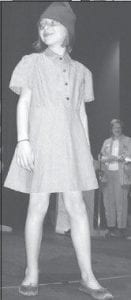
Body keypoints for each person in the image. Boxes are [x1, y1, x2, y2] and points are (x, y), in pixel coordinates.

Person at [4, 2, 113, 299]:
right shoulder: (31, 62)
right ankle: (31, 272)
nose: (46, 27)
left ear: (68, 29)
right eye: (42, 24)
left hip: (72, 144)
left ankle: (88, 277)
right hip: (40, 141)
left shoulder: (82, 71)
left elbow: (81, 114)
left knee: (78, 208)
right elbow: (23, 102)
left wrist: (86, 150)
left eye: (53, 22)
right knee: (37, 206)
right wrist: (23, 141)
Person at [100, 119, 131, 238]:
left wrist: (118, 158)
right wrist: (106, 158)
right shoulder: (106, 141)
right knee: (108, 202)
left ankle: (121, 228)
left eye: (119, 127)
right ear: (111, 129)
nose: (117, 129)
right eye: (114, 128)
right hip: (108, 175)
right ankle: (110, 227)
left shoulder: (128, 141)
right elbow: (101, 156)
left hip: (121, 175)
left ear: (121, 128)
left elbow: (129, 157)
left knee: (121, 202)